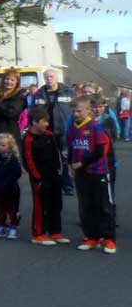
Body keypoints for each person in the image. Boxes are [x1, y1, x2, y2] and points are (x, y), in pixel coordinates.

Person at [67, 96, 115, 253]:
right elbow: (71, 149)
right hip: (81, 174)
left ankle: (108, 239)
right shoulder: (72, 127)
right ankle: (91, 237)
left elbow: (100, 151)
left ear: (88, 111)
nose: (76, 114)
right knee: (85, 206)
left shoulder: (95, 127)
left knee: (103, 206)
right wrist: (70, 165)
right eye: (74, 111)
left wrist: (82, 163)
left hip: (98, 172)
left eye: (79, 111)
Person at [23, 106, 67, 245]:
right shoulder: (28, 139)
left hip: (54, 175)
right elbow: (28, 160)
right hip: (40, 178)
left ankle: (55, 231)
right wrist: (37, 177)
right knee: (41, 205)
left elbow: (57, 154)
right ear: (35, 122)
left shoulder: (49, 135)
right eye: (44, 121)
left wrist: (60, 171)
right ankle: (38, 233)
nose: (47, 124)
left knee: (56, 204)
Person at [31, 70, 75, 194]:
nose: (49, 79)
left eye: (51, 76)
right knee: (48, 159)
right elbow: (32, 112)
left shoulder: (68, 91)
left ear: (56, 77)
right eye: (47, 77)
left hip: (63, 130)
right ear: (44, 78)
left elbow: (74, 110)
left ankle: (67, 185)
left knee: (66, 158)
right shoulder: (39, 93)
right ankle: (52, 184)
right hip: (45, 131)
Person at [0, 134, 24, 239]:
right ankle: (1, 225)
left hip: (11, 187)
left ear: (10, 146)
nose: (0, 147)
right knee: (1, 208)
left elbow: (17, 172)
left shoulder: (12, 159)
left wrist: (8, 181)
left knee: (12, 208)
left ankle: (13, 226)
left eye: (3, 145)